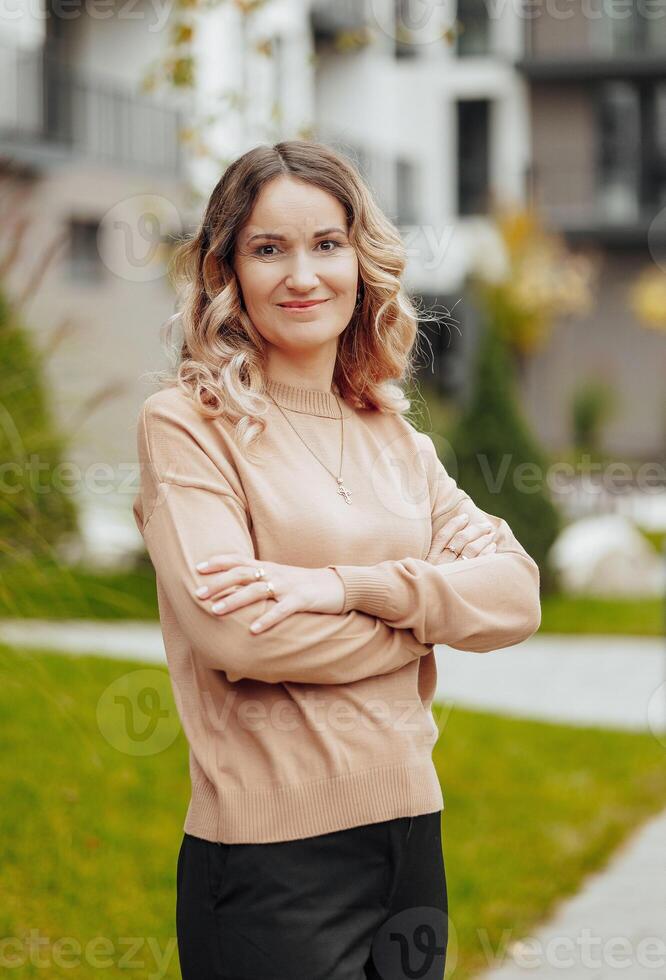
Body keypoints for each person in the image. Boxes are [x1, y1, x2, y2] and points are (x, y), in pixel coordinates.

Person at [132, 139, 542, 980]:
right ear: (227, 271)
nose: (302, 275)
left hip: (410, 843)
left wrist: (342, 588)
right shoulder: (188, 425)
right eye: (267, 248)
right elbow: (241, 637)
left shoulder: (396, 437)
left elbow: (516, 597)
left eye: (326, 243)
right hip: (271, 865)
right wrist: (425, 624)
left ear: (361, 260)